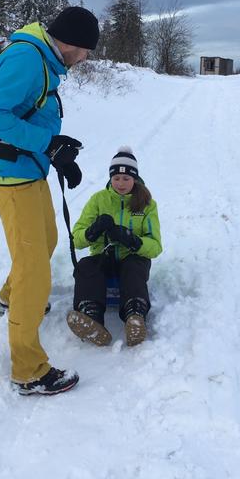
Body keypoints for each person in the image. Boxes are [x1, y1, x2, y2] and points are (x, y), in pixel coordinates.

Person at [0, 6, 99, 396]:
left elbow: (28, 115)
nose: (86, 58)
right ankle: (28, 370)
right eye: (86, 50)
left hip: (26, 170)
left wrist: (56, 153)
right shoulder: (28, 59)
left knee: (47, 240)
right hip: (10, 176)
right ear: (71, 42)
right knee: (35, 271)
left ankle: (9, 296)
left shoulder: (42, 59)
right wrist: (47, 143)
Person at [68, 146, 162, 347]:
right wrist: (92, 231)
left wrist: (133, 240)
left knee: (134, 267)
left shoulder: (146, 204)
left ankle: (135, 315)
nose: (120, 183)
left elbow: (155, 246)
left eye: (126, 178)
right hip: (104, 257)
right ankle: (91, 316)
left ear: (134, 178)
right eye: (116, 178)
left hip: (131, 258)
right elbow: (76, 238)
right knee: (86, 266)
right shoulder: (98, 200)